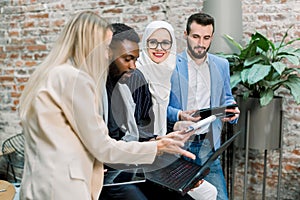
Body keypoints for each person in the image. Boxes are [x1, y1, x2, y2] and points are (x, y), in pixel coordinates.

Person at [18, 11, 196, 200]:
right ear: (90, 45)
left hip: (40, 185)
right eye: (104, 47)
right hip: (64, 188)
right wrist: (157, 147)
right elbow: (103, 147)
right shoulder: (74, 79)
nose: (107, 55)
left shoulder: (50, 75)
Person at [102, 22, 217, 200]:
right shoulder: (114, 83)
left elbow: (146, 129)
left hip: (149, 154)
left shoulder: (160, 74)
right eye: (153, 42)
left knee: (202, 190)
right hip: (128, 165)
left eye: (166, 43)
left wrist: (169, 133)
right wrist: (158, 142)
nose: (133, 65)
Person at [167, 13, 240, 200]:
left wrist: (232, 111)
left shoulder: (221, 65)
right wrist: (180, 115)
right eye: (196, 36)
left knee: (219, 197)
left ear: (212, 38)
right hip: (179, 145)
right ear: (186, 34)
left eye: (206, 37)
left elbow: (227, 98)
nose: (201, 43)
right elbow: (159, 107)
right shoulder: (170, 64)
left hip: (208, 144)